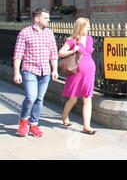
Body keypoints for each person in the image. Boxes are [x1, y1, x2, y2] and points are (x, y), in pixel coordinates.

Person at [13, 8, 59, 137]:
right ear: (37, 18)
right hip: (29, 70)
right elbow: (18, 54)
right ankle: (23, 121)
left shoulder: (49, 33)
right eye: (46, 18)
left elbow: (53, 53)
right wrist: (17, 72)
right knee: (31, 97)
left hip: (45, 71)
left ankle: (34, 124)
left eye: (48, 18)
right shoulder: (25, 33)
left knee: (39, 99)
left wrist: (54, 69)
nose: (49, 20)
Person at [58, 17, 96, 135]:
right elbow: (61, 53)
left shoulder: (89, 39)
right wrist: (73, 50)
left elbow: (88, 51)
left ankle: (86, 126)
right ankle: (64, 117)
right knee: (73, 98)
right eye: (87, 26)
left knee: (87, 98)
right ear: (81, 27)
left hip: (89, 71)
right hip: (76, 73)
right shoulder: (72, 40)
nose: (89, 28)